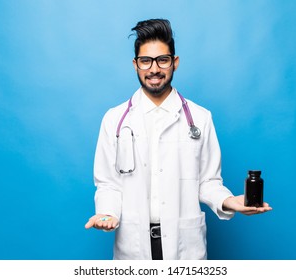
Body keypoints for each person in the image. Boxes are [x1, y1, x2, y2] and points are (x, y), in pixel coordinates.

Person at [85, 19, 272, 260]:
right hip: (133, 247)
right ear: (135, 65)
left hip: (185, 247)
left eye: (162, 60)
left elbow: (207, 181)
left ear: (175, 62)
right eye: (145, 61)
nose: (154, 69)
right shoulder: (114, 120)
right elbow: (108, 183)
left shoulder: (200, 118)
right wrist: (108, 213)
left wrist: (228, 201)